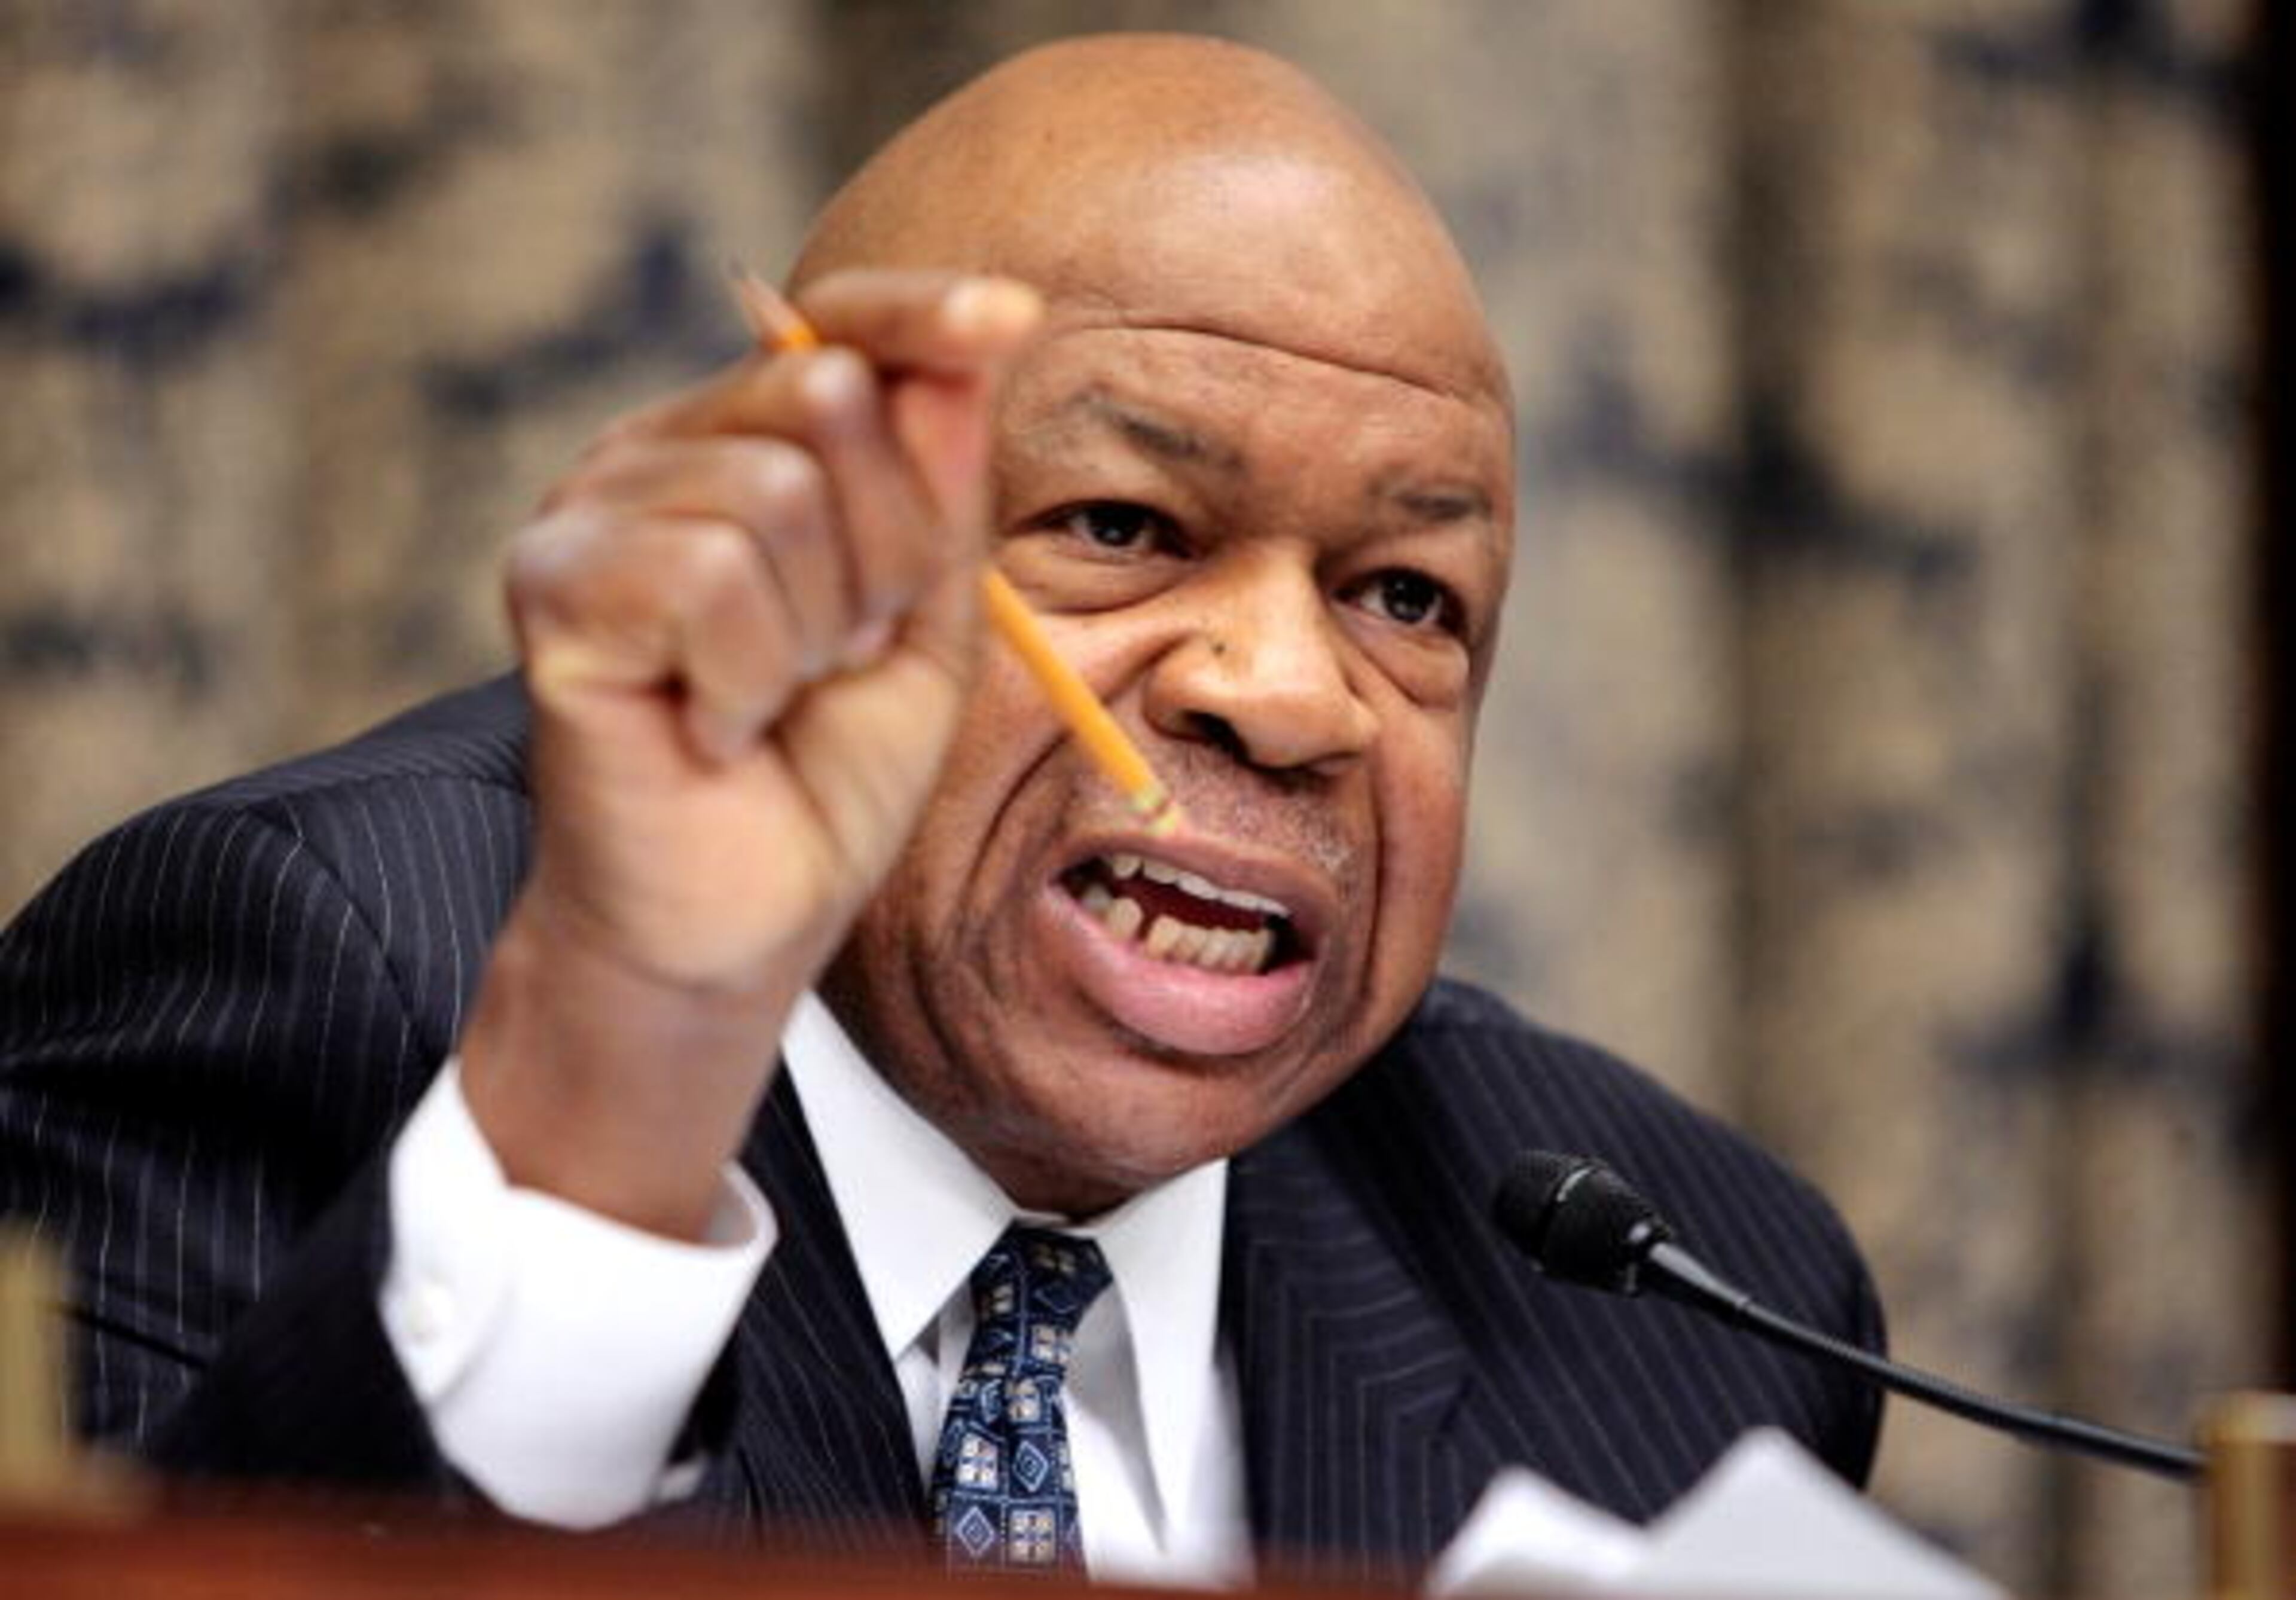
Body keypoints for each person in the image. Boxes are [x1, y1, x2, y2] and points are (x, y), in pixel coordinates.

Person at [0, 33, 1882, 1587]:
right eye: (1124, 529)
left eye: (1404, 596)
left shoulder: (1683, 1292)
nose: (1290, 694)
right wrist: (625, 1053)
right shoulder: (307, 975)